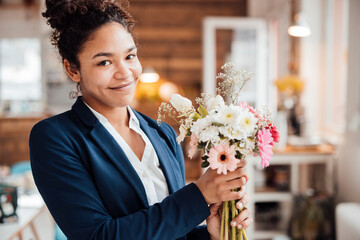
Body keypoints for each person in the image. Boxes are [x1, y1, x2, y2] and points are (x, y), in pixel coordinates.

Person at [29, 1, 252, 239]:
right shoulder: (56, 137)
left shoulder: (163, 134)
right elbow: (97, 235)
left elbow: (176, 233)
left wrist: (212, 234)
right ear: (73, 70)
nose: (124, 72)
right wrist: (199, 195)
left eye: (130, 56)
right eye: (104, 62)